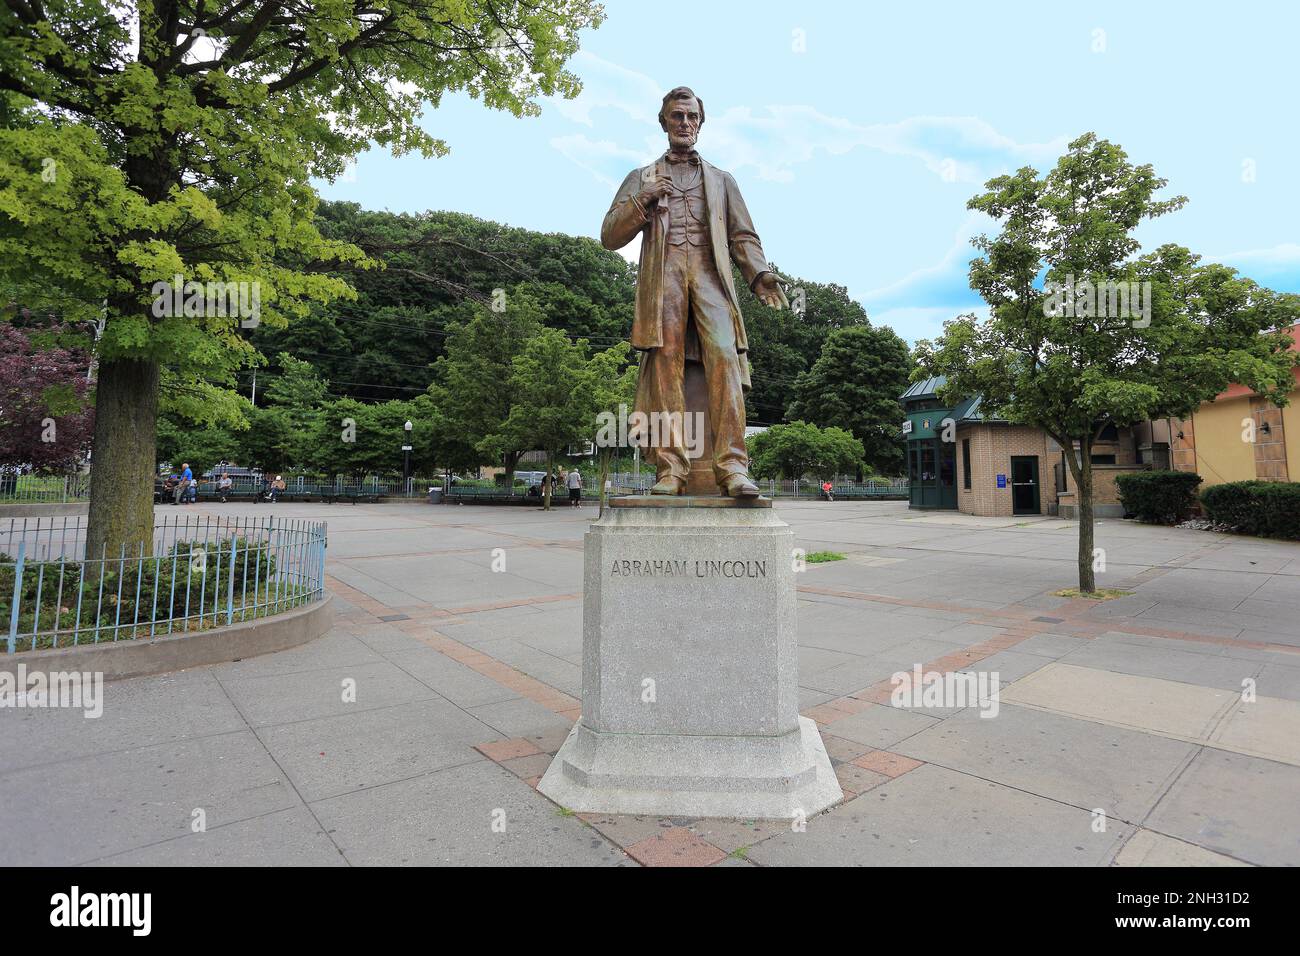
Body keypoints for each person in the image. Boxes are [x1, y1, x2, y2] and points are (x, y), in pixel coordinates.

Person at [601, 86, 788, 497]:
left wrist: (759, 274)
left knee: (724, 357)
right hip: (663, 280)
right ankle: (672, 469)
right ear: (663, 121)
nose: (685, 123)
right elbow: (609, 235)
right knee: (666, 367)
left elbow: (743, 237)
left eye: (692, 117)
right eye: (677, 116)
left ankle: (733, 468)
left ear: (700, 124)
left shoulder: (722, 180)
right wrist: (643, 199)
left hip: (709, 277)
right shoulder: (641, 176)